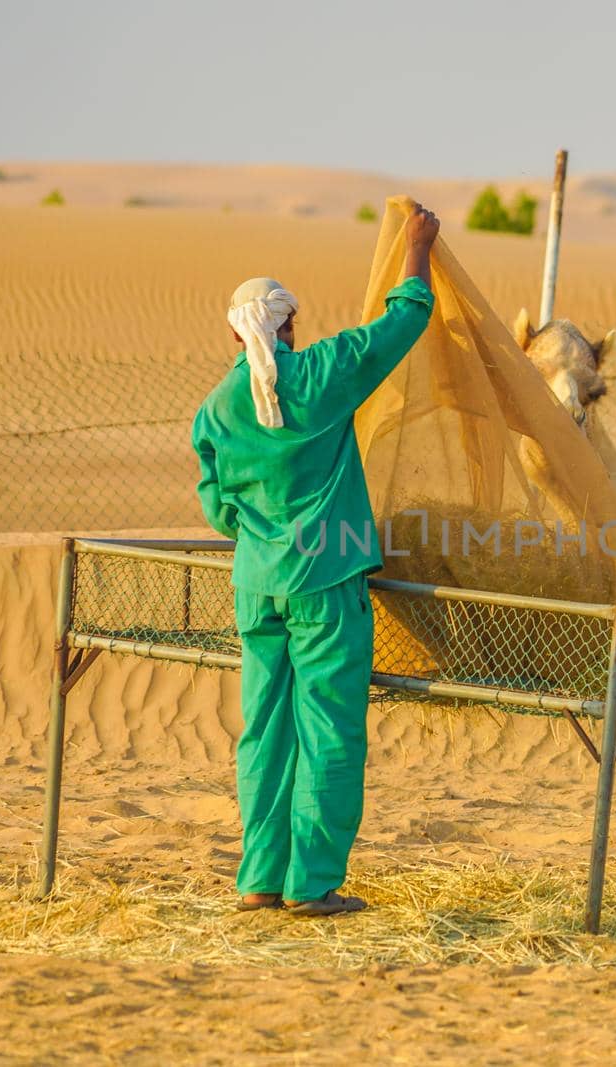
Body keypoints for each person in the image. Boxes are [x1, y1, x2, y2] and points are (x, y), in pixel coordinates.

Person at [192, 204, 440, 916]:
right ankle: (311, 885)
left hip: (256, 590)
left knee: (264, 731)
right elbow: (403, 322)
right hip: (326, 588)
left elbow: (218, 510)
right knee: (329, 729)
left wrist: (264, 531)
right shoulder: (324, 375)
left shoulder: (214, 411)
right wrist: (417, 249)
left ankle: (260, 879)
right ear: (288, 326)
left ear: (236, 335)